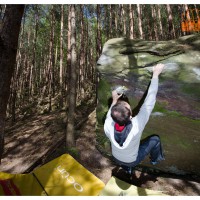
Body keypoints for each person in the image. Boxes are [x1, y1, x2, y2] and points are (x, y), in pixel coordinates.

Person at [104, 63, 165, 173]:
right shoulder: (136, 125)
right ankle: (154, 160)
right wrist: (155, 74)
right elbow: (149, 101)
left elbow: (111, 113)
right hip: (133, 160)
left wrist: (114, 100)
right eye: (128, 106)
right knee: (155, 139)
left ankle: (127, 169)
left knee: (126, 157)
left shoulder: (108, 125)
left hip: (116, 157)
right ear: (131, 115)